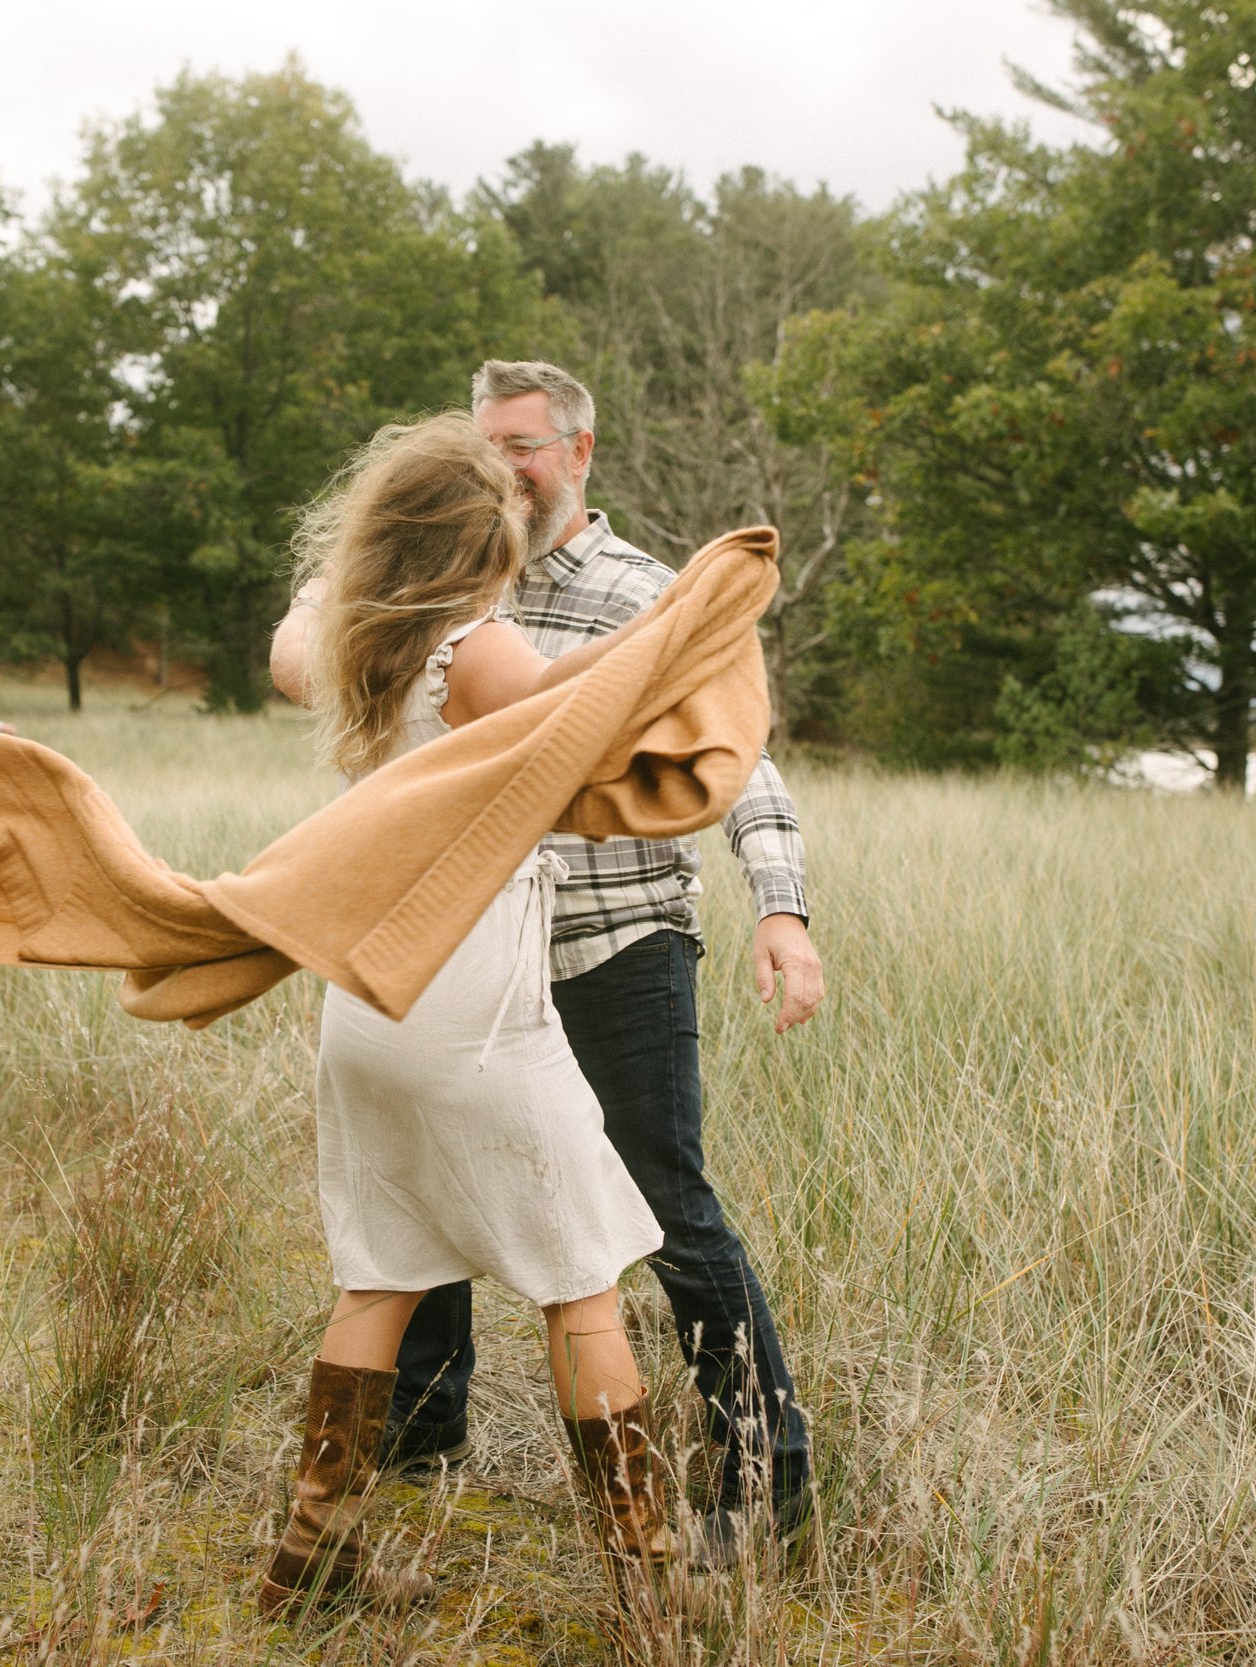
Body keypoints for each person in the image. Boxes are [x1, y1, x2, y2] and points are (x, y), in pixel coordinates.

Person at [272, 360, 825, 1570]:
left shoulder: (638, 590)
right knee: (432, 1207)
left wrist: (779, 911)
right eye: (487, 445)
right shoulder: (436, 606)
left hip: (611, 944)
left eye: (525, 445)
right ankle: (425, 1445)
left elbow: (742, 761)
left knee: (667, 1211)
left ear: (579, 453)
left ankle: (759, 1481)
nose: (506, 467)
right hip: (460, 962)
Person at [256, 414, 679, 1617]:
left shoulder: (343, 652)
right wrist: (676, 623)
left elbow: (294, 632)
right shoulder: (476, 654)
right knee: (582, 1279)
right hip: (473, 1007)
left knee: (380, 1274)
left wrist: (338, 577)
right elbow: (579, 707)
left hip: (365, 1009)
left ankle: (310, 1551)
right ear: (479, 543)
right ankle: (650, 1579)